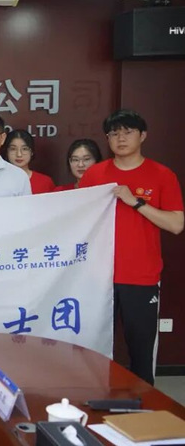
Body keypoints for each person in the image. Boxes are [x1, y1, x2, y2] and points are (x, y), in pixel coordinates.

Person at [80, 109, 183, 385]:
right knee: (93, 350)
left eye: (128, 132)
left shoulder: (162, 175)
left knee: (141, 351)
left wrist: (135, 202)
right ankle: (95, 403)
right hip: (98, 278)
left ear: (143, 136)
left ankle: (143, 406)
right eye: (114, 133)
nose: (121, 138)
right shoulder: (94, 174)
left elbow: (176, 224)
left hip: (141, 277)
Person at [2, 129, 56, 194]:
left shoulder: (45, 182)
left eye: (24, 149)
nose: (19, 154)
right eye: (13, 149)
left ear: (32, 152)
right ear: (7, 151)